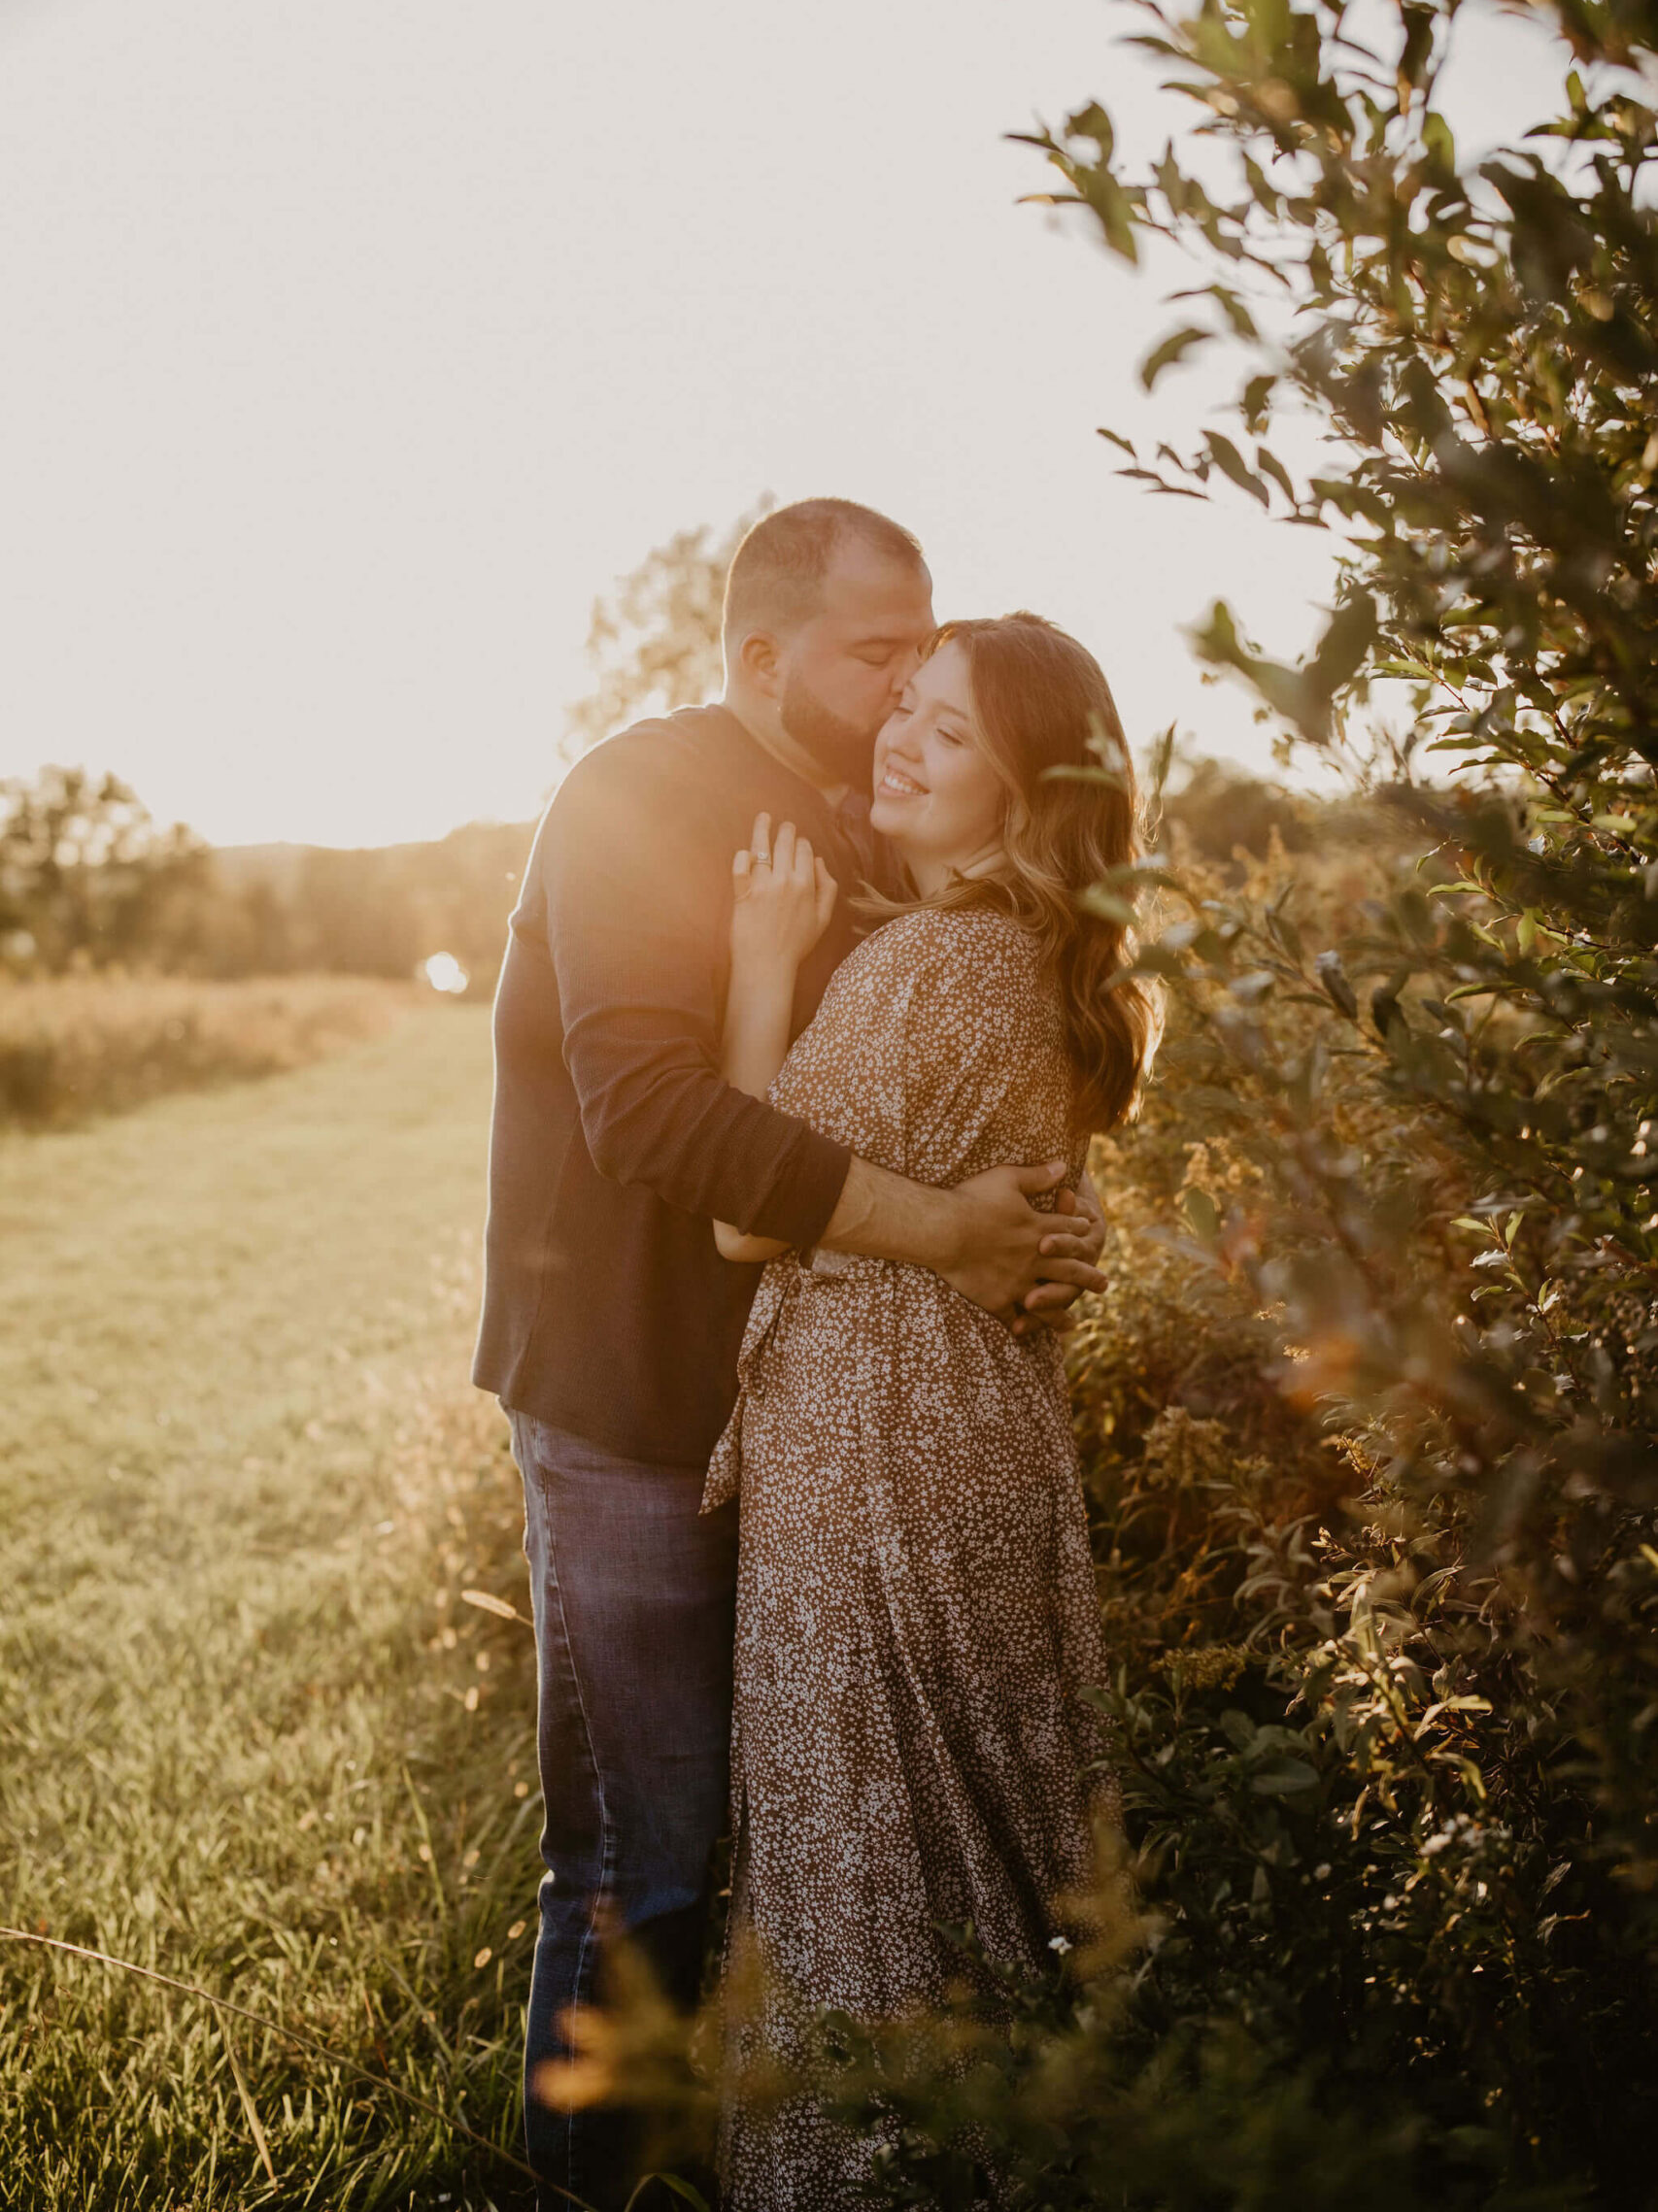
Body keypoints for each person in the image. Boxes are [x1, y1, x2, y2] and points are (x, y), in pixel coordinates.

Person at [470, 502, 1108, 2209]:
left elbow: (969, 1032)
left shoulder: (864, 818)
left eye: (929, 657)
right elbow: (654, 1112)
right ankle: (591, 2182)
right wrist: (954, 1234)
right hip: (625, 1401)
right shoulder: (635, 800)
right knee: (640, 1862)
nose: (907, 687)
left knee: (799, 1851)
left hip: (822, 1427)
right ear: (763, 658)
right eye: (879, 655)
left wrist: (1048, 1220)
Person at [703, 611, 1161, 2211]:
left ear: (1027, 797)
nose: (901, 734)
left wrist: (761, 968)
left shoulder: (922, 968)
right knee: (984, 1839)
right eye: (908, 703)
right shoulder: (1051, 970)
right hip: (987, 1439)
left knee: (869, 1859)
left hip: (874, 1444)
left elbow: (741, 1218)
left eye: (950, 729)